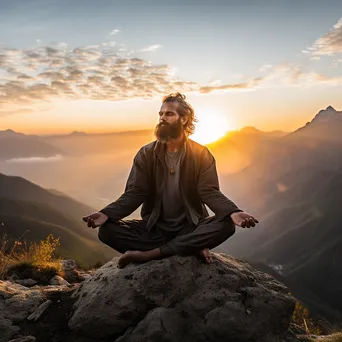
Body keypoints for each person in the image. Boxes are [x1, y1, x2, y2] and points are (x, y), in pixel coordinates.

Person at [82, 93, 259, 268]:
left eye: (169, 114)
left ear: (184, 119)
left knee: (227, 225)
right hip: (155, 230)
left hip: (191, 227)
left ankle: (151, 254)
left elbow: (209, 191)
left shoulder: (201, 154)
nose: (162, 118)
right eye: (160, 114)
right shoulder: (146, 154)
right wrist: (106, 213)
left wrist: (233, 212)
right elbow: (135, 193)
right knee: (106, 230)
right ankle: (189, 247)